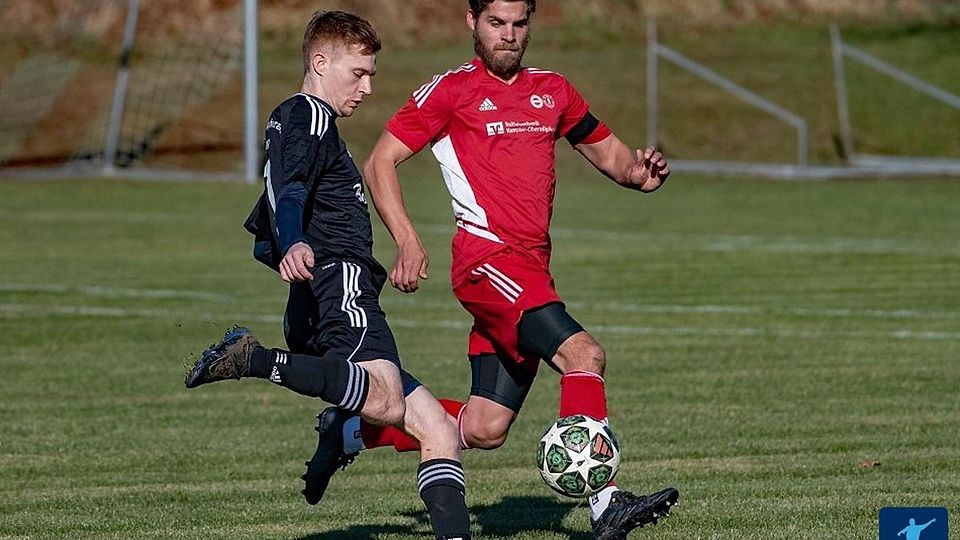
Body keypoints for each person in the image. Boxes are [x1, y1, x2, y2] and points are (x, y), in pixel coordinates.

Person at [341, 1, 679, 539]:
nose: (509, 35)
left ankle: (352, 431)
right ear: (471, 21)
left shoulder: (554, 90)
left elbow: (616, 159)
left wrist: (644, 174)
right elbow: (380, 160)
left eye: (519, 24)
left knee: (484, 428)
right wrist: (406, 239)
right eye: (496, 23)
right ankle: (606, 505)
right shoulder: (450, 92)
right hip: (487, 263)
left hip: (532, 269)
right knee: (584, 354)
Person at [183, 11, 471, 540]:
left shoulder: (295, 124)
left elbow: (271, 204)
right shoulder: (309, 115)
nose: (366, 87)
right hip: (341, 286)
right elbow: (288, 192)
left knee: (439, 430)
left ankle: (342, 431)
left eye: (372, 76)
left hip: (317, 295)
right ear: (320, 62)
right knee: (384, 399)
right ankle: (256, 359)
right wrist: (294, 240)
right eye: (358, 73)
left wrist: (288, 244)